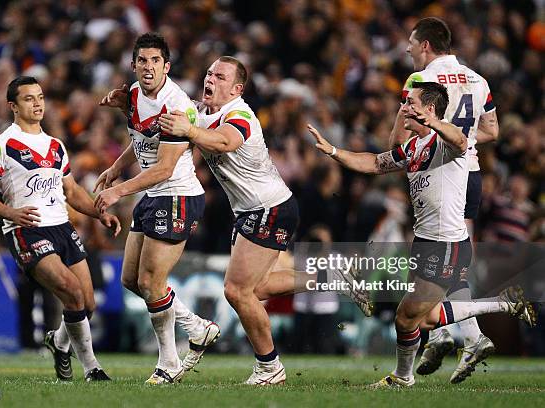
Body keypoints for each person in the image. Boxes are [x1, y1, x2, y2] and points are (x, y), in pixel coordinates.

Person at [155, 56, 371, 385]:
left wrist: (187, 130)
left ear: (237, 89)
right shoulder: (200, 113)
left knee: (236, 291)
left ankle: (269, 367)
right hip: (254, 210)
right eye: (210, 72)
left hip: (268, 207)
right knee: (258, 289)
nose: (211, 79)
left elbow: (225, 141)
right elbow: (168, 109)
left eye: (221, 76)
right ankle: (332, 276)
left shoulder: (239, 113)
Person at [308, 81, 535, 388]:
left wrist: (437, 123)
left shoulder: (448, 142)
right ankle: (503, 303)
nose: (404, 107)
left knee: (405, 316)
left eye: (410, 102)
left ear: (428, 109)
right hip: (425, 242)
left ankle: (403, 377)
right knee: (424, 319)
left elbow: (460, 138)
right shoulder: (413, 147)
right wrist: (333, 151)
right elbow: (375, 162)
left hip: (446, 245)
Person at [0, 76, 120, 382]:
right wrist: (10, 212)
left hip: (62, 228)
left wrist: (98, 213)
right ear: (13, 106)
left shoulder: (56, 145)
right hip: (28, 230)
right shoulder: (2, 146)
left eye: (40, 97)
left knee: (87, 303)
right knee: (72, 292)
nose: (38, 103)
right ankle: (92, 368)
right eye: (29, 99)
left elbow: (73, 191)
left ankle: (59, 342)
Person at [94, 32, 220, 385]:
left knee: (152, 281)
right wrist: (117, 167)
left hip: (177, 195)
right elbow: (141, 137)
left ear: (167, 66)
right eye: (142, 61)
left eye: (155, 61)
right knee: (131, 280)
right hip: (152, 195)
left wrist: (119, 191)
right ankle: (197, 327)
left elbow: (164, 168)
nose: (147, 67)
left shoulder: (177, 105)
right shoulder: (133, 94)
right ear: (133, 65)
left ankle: (170, 362)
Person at [389, 17, 500, 383]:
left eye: (411, 43)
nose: (407, 49)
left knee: (437, 254)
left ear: (425, 45)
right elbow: (492, 130)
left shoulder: (421, 81)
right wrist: (463, 141)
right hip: (471, 173)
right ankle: (461, 335)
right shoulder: (478, 79)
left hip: (436, 172)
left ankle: (451, 334)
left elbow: (396, 142)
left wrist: (418, 148)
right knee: (452, 259)